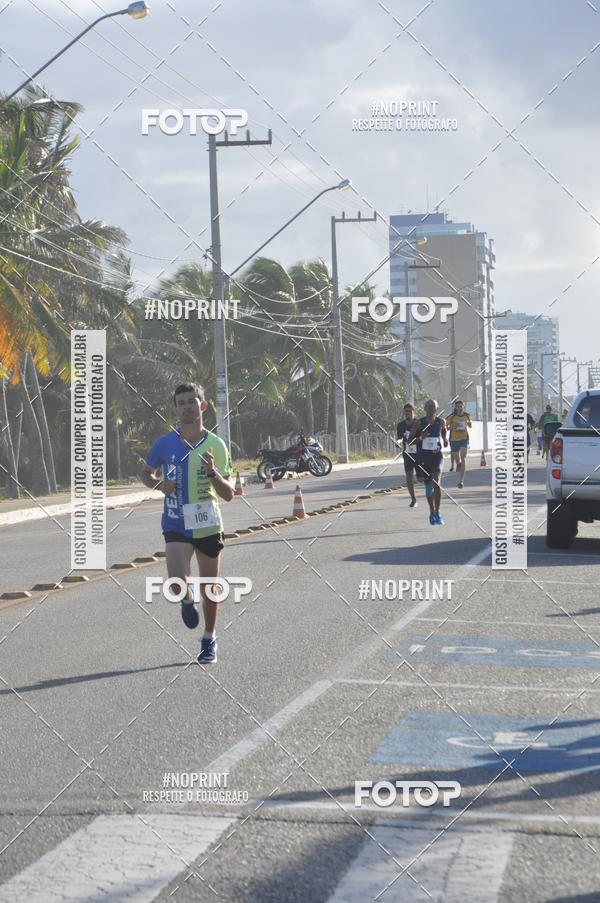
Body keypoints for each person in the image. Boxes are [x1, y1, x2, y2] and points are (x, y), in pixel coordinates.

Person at [141, 383, 233, 664]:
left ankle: (209, 639)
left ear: (202, 406)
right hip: (175, 522)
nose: (186, 407)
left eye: (192, 401)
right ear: (174, 408)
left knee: (209, 586)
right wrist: (159, 485)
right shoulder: (164, 443)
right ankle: (185, 601)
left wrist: (212, 472)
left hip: (207, 523)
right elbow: (146, 473)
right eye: (180, 403)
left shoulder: (216, 444)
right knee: (177, 583)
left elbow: (228, 494)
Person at [410, 398, 448, 525]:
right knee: (428, 486)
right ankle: (431, 511)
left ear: (437, 409)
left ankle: (438, 512)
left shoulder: (441, 421)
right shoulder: (418, 423)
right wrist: (421, 437)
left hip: (437, 456)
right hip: (423, 457)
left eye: (434, 406)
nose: (431, 408)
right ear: (425, 408)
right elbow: (409, 441)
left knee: (436, 482)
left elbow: (443, 432)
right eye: (429, 406)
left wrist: (445, 439)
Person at [396, 402, 419, 507]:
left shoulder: (418, 423)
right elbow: (399, 437)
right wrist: (398, 442)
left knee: (420, 478)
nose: (408, 413)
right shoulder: (400, 425)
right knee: (409, 475)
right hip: (407, 454)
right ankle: (413, 499)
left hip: (419, 453)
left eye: (410, 411)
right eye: (406, 411)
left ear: (413, 412)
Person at [445, 400, 472, 488]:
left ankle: (461, 481)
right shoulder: (452, 417)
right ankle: (458, 464)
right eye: (458, 407)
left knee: (463, 459)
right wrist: (452, 427)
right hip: (454, 440)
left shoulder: (467, 416)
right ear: (456, 408)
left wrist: (469, 424)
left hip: (464, 439)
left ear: (463, 407)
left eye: (461, 406)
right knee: (458, 461)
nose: (460, 408)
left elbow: (470, 425)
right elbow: (446, 427)